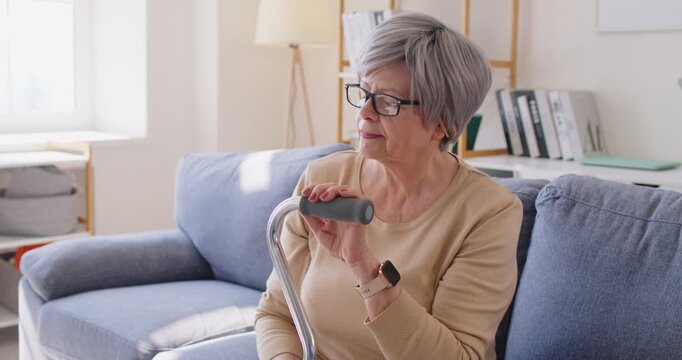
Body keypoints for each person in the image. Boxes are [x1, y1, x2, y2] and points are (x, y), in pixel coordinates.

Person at [255, 12, 522, 360]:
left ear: (441, 123)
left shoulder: (488, 212)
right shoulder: (322, 178)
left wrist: (362, 265)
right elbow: (276, 312)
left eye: (387, 101)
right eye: (364, 92)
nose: (364, 112)